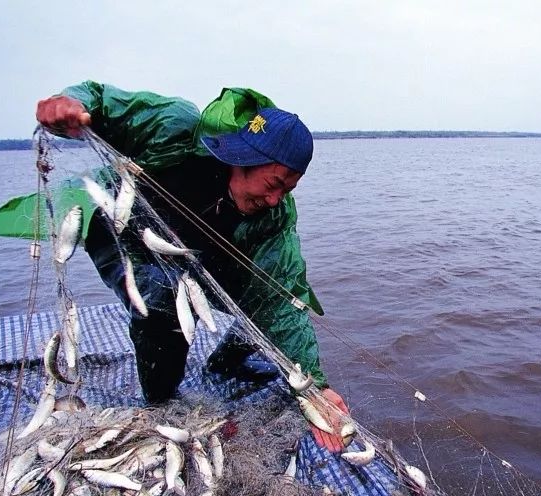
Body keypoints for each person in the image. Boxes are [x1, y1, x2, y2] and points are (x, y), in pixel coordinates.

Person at [36, 81, 347, 451]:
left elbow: (281, 300)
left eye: (288, 189)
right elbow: (102, 102)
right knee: (162, 301)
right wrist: (70, 105)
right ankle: (161, 398)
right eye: (273, 183)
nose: (275, 198)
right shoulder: (176, 130)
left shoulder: (273, 218)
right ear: (242, 160)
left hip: (203, 251)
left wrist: (313, 383)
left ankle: (226, 362)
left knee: (263, 307)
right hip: (126, 232)